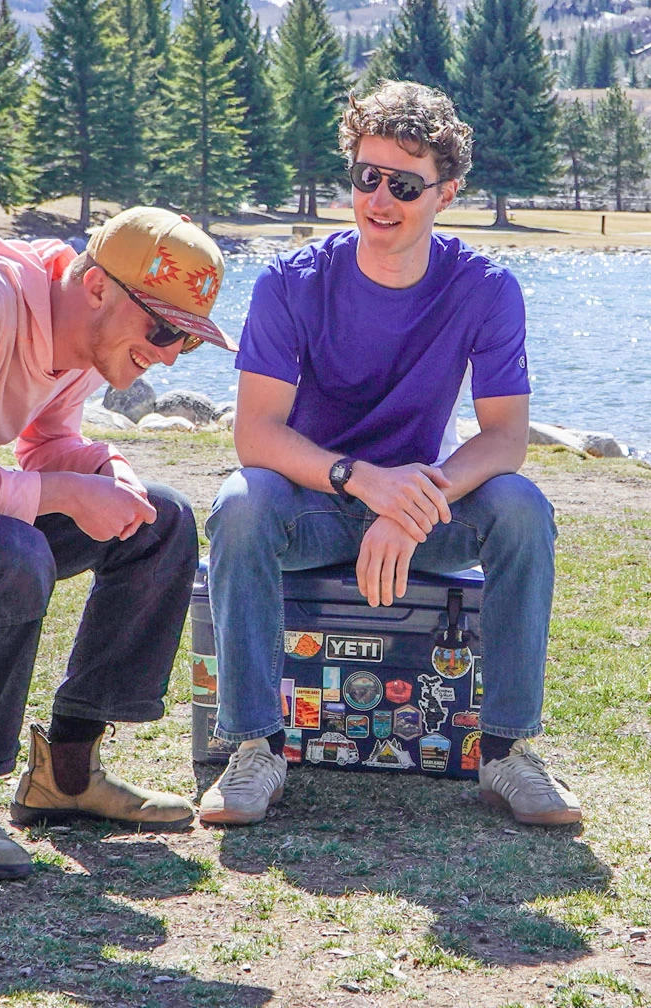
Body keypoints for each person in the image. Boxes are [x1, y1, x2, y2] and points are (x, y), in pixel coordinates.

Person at [200, 80, 581, 829]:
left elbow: (506, 437)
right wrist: (363, 480)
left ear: (447, 192)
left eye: (403, 185)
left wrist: (412, 506)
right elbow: (257, 435)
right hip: (312, 505)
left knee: (521, 507)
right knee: (239, 503)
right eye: (366, 176)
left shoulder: (486, 289)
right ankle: (254, 746)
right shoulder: (289, 282)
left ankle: (505, 751)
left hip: (419, 508)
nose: (379, 199)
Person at [0, 207, 237, 880]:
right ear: (97, 288)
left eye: (188, 343)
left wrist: (105, 468)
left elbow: (47, 444)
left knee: (159, 518)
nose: (170, 354)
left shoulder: (77, 336)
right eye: (163, 329)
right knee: (10, 554)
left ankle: (68, 773)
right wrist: (60, 493)